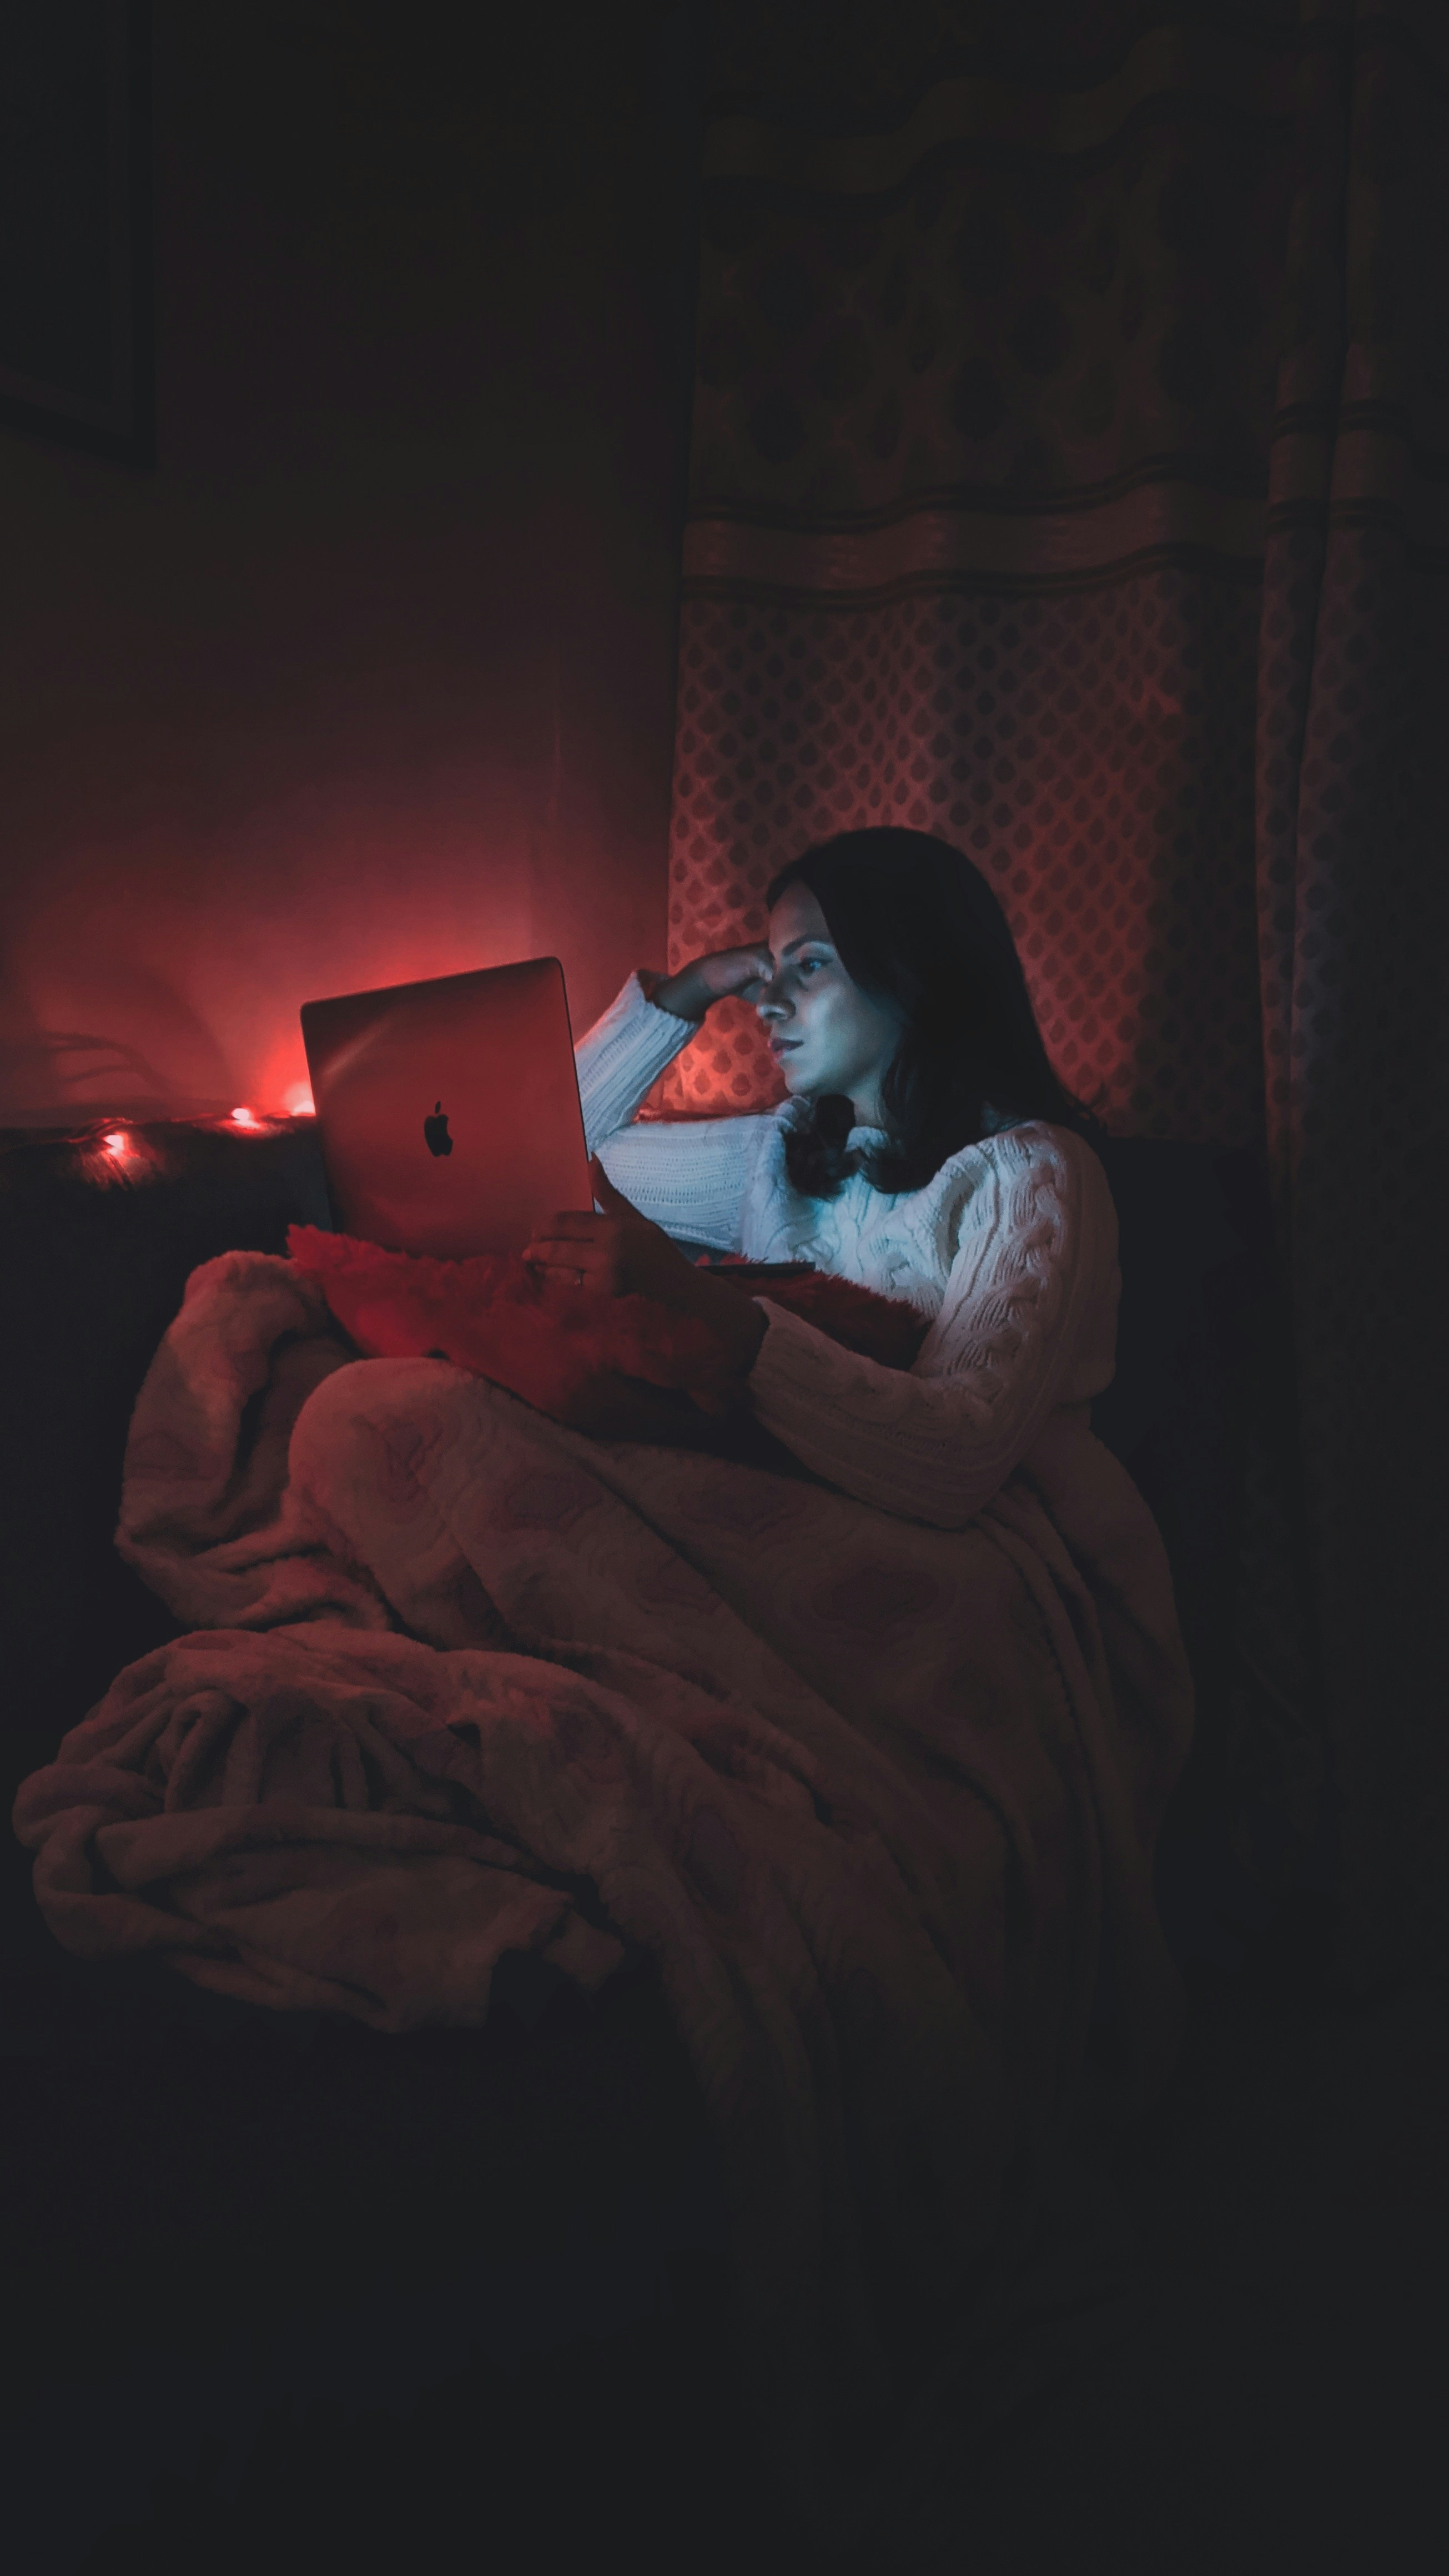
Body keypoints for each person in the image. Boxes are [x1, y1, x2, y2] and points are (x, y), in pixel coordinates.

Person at [522, 825, 1124, 1528]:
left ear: (913, 969)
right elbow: (560, 1149)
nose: (768, 1000)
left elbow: (957, 1460)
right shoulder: (781, 1153)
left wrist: (703, 1303)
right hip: (790, 1515)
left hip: (997, 1554)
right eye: (769, 965)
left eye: (809, 965)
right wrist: (690, 991)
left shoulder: (1032, 1173)